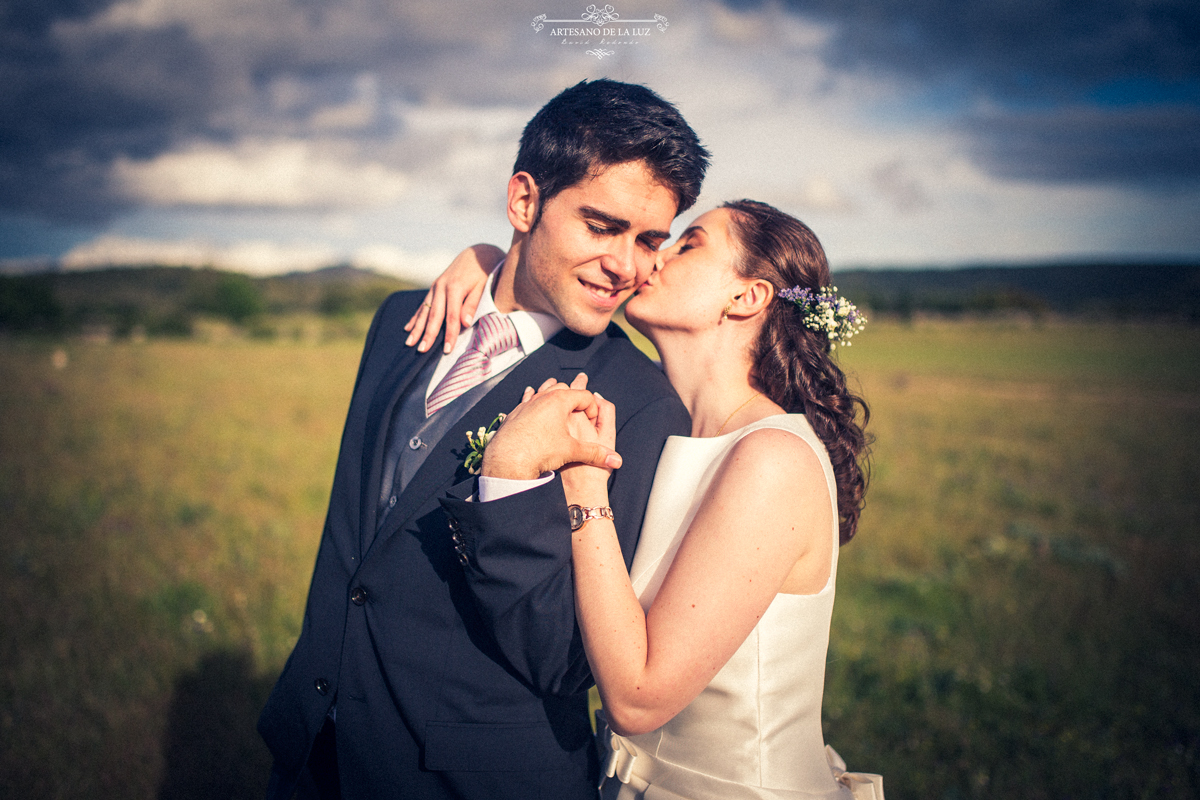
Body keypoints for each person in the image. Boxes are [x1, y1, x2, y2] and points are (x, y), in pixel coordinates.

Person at [256, 78, 709, 800]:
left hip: (465, 780)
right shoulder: (401, 321)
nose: (627, 265)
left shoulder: (643, 404)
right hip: (311, 747)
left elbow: (567, 660)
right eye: (602, 226)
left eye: (649, 239)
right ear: (524, 202)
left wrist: (504, 484)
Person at [417, 199, 883, 799]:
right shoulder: (673, 431)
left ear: (746, 298)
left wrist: (585, 480)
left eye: (689, 244)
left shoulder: (772, 459)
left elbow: (639, 700)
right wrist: (487, 267)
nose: (654, 258)